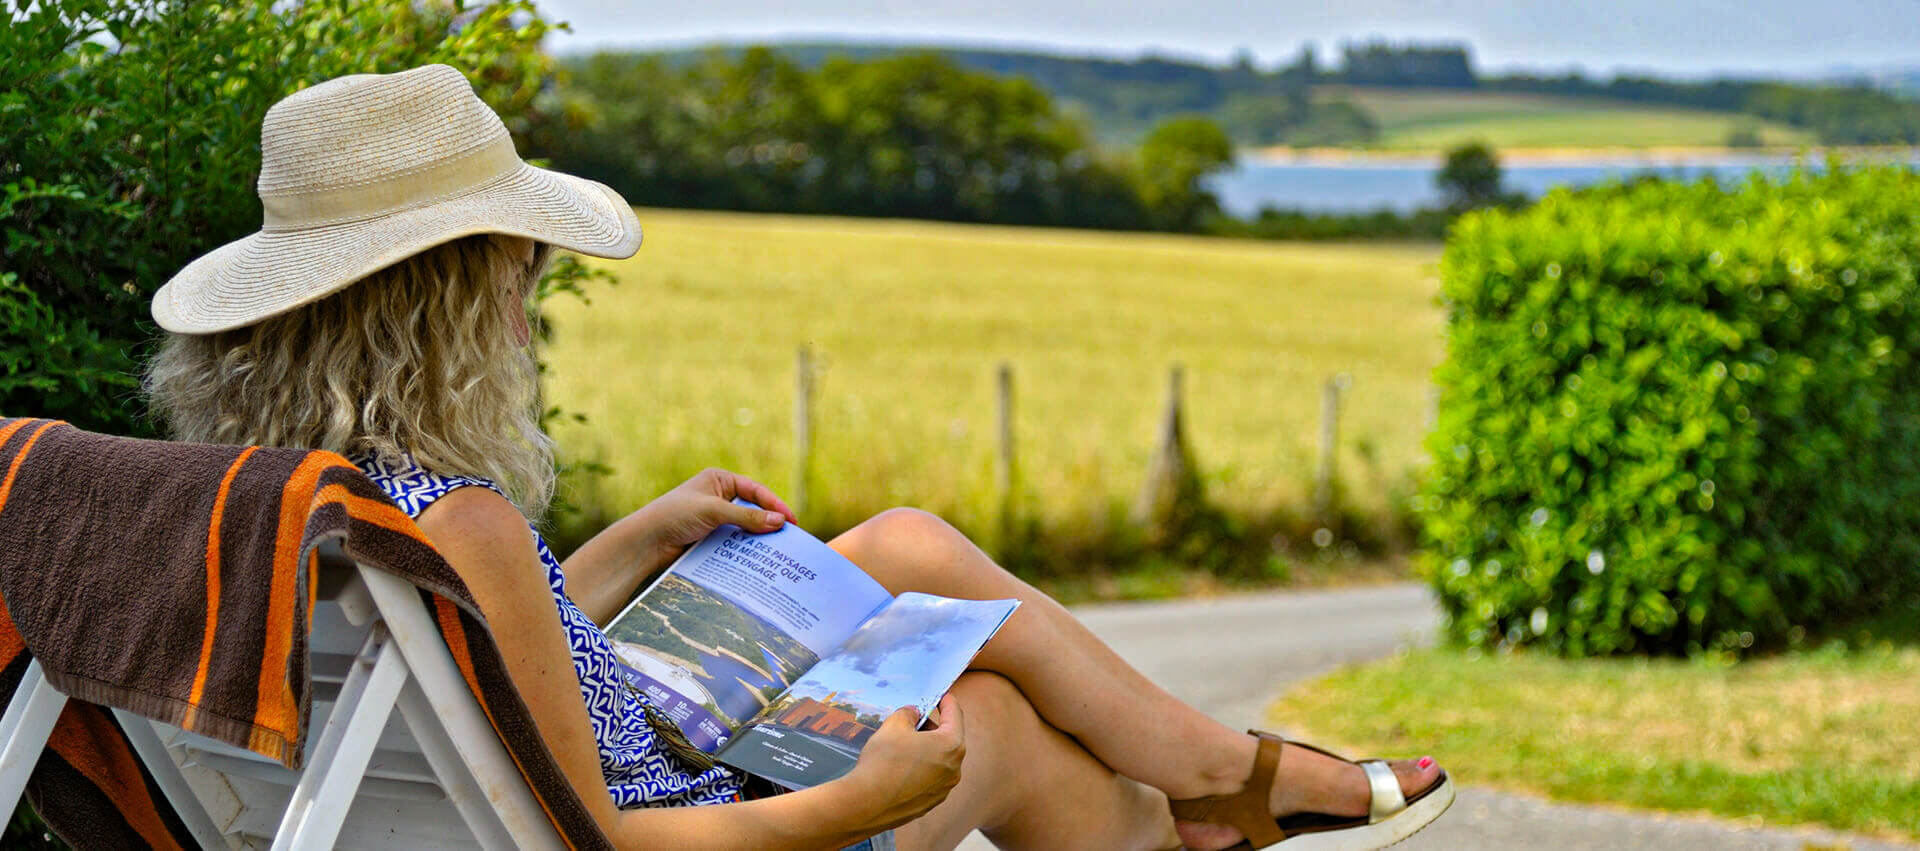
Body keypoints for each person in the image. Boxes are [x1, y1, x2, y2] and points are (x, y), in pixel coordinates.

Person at [144, 64, 1451, 851]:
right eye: (514, 286)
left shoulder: (277, 505)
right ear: (446, 317)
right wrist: (856, 800)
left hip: (591, 759)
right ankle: (1216, 792)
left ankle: (1213, 792)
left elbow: (482, 654)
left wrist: (650, 537)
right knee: (984, 713)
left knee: (903, 547)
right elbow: (613, 838)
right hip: (688, 817)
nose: (523, 317)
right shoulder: (460, 515)